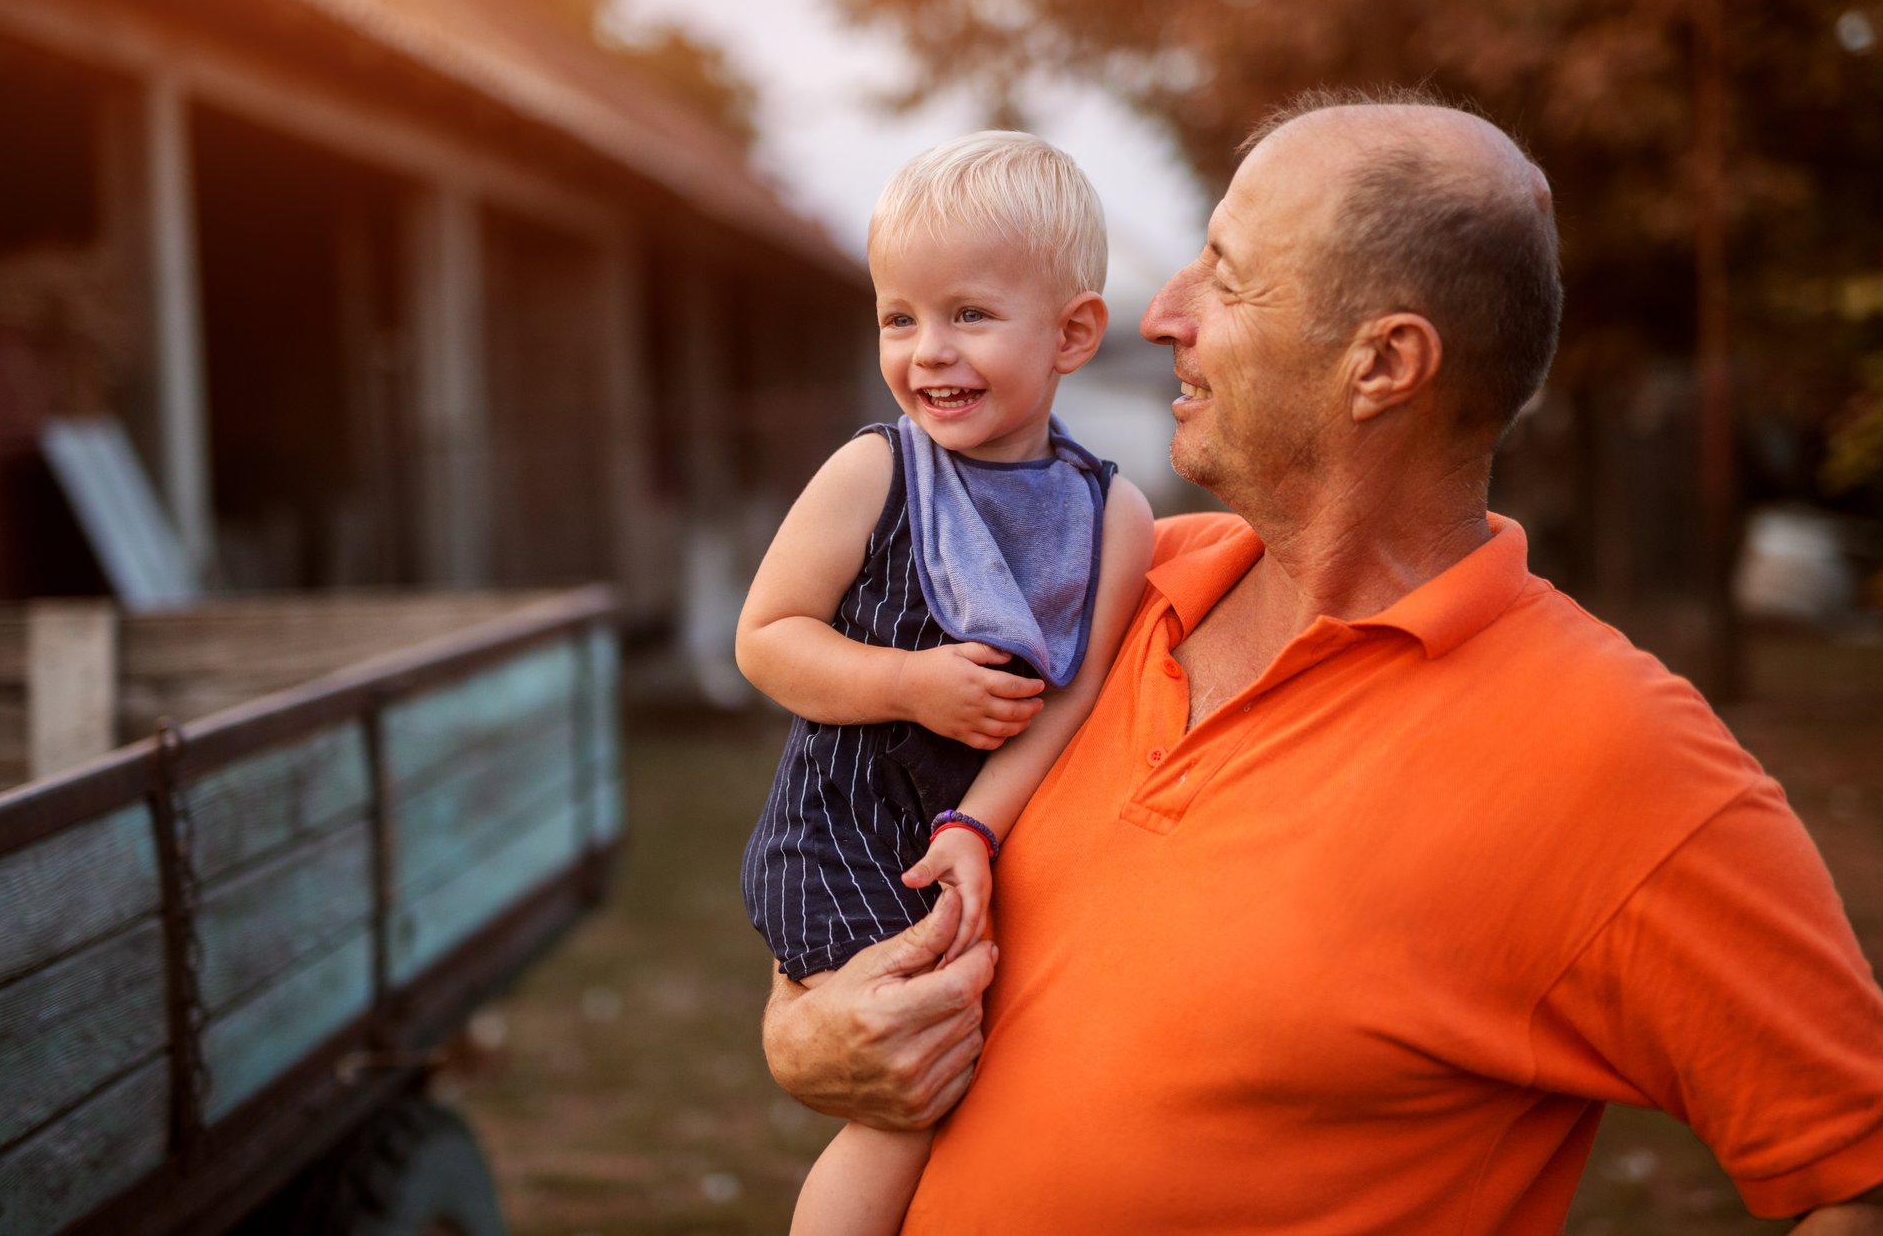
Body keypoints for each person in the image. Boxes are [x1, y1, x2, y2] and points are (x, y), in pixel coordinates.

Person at [758, 89, 1883, 1234]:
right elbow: (851, 856)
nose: (1161, 315)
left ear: (1381, 364)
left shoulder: (1617, 755)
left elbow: (1856, 1178)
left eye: (1226, 276)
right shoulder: (1096, 597)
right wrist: (808, 1038)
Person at [734, 131, 1155, 1235]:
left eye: (968, 314)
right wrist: (909, 683)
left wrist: (975, 822)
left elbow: (1067, 698)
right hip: (843, 838)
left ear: (1071, 332)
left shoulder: (1111, 516)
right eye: (897, 316)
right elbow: (767, 638)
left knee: (1004, 1077)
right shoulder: (875, 472)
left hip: (963, 839)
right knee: (911, 1094)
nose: (927, 352)